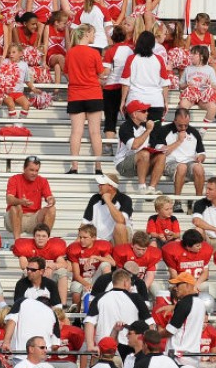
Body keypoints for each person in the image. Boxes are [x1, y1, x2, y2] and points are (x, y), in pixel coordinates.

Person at [64, 23, 107, 175]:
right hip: (93, 94)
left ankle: (74, 166)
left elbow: (66, 72)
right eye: (93, 33)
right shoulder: (94, 53)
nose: (94, 36)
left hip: (75, 94)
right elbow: (101, 73)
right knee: (95, 133)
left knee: (76, 132)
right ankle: (98, 167)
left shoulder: (70, 53)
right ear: (87, 34)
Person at [84, 269, 151, 360]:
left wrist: (90, 345)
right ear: (125, 283)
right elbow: (149, 323)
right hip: (129, 346)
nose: (130, 286)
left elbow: (89, 322)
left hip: (104, 347)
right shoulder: (136, 298)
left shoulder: (100, 297)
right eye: (130, 283)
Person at [148, 107, 207, 202]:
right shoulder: (164, 130)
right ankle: (177, 201)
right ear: (175, 120)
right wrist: (178, 141)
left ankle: (199, 201)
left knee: (199, 168)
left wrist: (201, 157)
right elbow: (161, 153)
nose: (183, 128)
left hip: (190, 162)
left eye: (186, 125)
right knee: (182, 167)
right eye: (180, 125)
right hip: (170, 162)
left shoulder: (194, 132)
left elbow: (202, 153)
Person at [155, 272, 206, 368]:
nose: (175, 288)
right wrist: (174, 306)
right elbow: (189, 306)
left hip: (178, 357)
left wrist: (155, 335)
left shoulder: (184, 304)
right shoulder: (200, 303)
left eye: (178, 285)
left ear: (187, 285)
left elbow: (170, 331)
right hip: (193, 356)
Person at [5, 156, 57, 240]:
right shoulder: (14, 179)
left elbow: (50, 197)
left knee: (52, 209)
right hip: (15, 218)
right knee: (15, 207)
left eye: (36, 170)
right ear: (24, 168)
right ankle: (17, 241)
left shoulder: (43, 181)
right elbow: (9, 199)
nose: (34, 173)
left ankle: (44, 240)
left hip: (34, 219)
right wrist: (21, 201)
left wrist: (51, 201)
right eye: (31, 170)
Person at [115, 99, 159, 195]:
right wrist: (148, 131)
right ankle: (142, 188)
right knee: (144, 154)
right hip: (123, 164)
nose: (147, 113)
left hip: (140, 163)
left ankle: (151, 189)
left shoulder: (145, 126)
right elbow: (134, 146)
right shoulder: (125, 127)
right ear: (134, 114)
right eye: (143, 111)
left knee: (161, 156)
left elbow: (155, 144)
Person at [3, 297, 60, 364]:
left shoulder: (23, 301)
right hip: (42, 360)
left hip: (21, 356)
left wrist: (6, 342)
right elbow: (55, 345)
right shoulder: (52, 313)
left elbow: (12, 321)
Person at [82, 173, 133, 245]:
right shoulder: (95, 198)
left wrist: (108, 201)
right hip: (98, 239)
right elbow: (85, 223)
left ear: (111, 187)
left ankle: (121, 252)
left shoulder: (125, 199)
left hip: (116, 238)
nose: (99, 186)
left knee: (120, 227)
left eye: (101, 184)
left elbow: (121, 221)